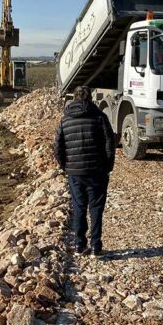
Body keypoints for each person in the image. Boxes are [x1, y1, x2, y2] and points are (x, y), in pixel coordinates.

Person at [54, 86, 116, 258]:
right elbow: (110, 143)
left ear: (74, 98)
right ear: (90, 98)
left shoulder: (65, 120)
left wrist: (65, 166)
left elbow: (57, 146)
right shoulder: (100, 117)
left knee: (79, 207)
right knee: (96, 208)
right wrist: (108, 165)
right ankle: (96, 247)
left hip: (75, 173)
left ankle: (79, 245)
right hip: (97, 171)